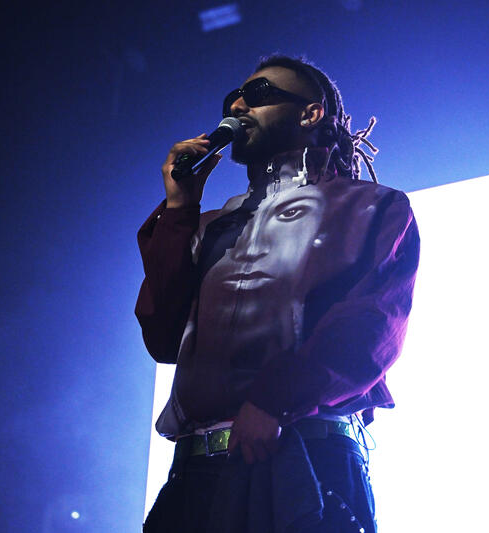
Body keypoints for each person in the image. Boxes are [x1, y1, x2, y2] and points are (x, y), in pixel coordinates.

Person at [136, 55, 420, 533]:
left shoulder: (373, 206)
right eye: (233, 99)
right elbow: (163, 339)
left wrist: (274, 400)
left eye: (260, 94)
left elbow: (370, 326)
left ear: (310, 114)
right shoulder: (206, 227)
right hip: (197, 475)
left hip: (307, 459)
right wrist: (180, 207)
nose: (240, 104)